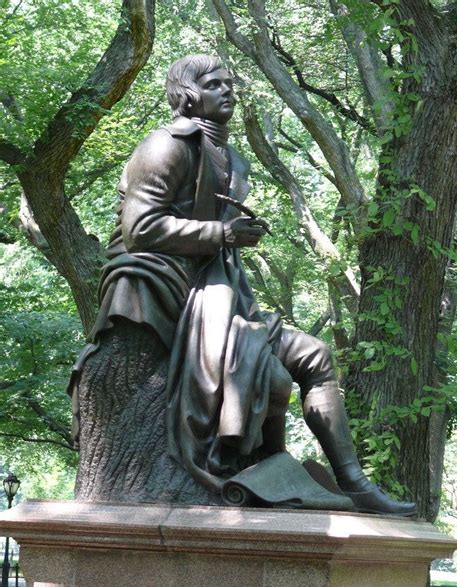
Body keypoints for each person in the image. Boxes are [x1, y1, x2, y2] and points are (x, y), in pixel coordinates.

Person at [72, 54, 416, 515]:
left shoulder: (231, 157)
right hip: (169, 286)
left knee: (315, 354)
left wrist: (235, 235)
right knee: (270, 376)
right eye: (215, 84)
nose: (228, 91)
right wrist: (223, 233)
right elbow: (140, 228)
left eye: (230, 83)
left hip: (218, 288)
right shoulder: (165, 145)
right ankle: (263, 469)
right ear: (189, 92)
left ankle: (354, 484)